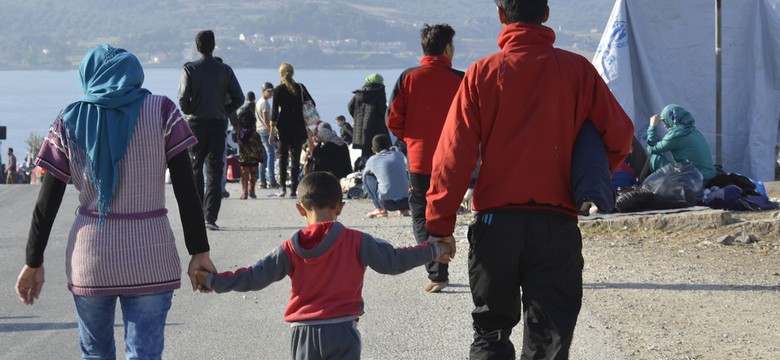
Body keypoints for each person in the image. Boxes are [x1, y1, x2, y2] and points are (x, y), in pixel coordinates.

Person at [424, 1, 634, 358]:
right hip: (557, 225)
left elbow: (452, 157)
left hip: (496, 224)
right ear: (546, 14)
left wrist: (439, 223)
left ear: (501, 15)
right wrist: (586, 173)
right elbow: (621, 136)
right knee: (548, 341)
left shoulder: (481, 73)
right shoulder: (578, 70)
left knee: (490, 333)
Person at [14, 44, 216, 359]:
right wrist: (199, 251)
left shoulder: (68, 119)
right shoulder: (162, 111)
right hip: (150, 255)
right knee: (145, 354)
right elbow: (186, 189)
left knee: (95, 354)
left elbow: (47, 202)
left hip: (90, 260)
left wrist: (33, 260)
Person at [194, 171, 452, 359]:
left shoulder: (290, 248)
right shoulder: (356, 241)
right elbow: (394, 261)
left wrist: (213, 280)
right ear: (339, 208)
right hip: (341, 331)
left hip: (302, 334)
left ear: (300, 209)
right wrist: (435, 249)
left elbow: (253, 276)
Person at [386, 23, 463, 293]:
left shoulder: (409, 77)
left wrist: (413, 137)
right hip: (453, 160)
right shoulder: (460, 79)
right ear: (448, 48)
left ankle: (437, 271)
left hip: (419, 161)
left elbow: (393, 120)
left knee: (421, 215)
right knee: (446, 211)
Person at [178, 30, 244, 230]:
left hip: (195, 125)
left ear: (197, 47)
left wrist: (191, 110)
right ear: (213, 46)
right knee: (215, 171)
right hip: (217, 125)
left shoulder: (190, 69)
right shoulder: (225, 70)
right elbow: (239, 98)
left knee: (196, 170)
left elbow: (182, 99)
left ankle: (197, 215)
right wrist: (224, 111)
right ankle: (210, 218)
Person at [271, 62, 314, 198]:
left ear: (281, 74)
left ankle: (283, 187)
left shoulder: (278, 90)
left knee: (283, 158)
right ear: (292, 72)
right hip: (298, 126)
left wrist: (272, 131)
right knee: (295, 159)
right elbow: (312, 103)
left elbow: (274, 113)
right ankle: (294, 189)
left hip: (283, 127)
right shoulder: (300, 88)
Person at [647, 104, 717, 186]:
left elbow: (651, 148)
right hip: (710, 177)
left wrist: (652, 126)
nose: (664, 125)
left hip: (697, 180)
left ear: (671, 120)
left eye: (665, 121)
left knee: (655, 159)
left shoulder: (677, 135)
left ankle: (652, 187)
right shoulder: (693, 131)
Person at [363, 134, 411, 218]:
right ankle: (404, 210)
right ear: (390, 146)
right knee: (403, 173)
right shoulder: (399, 155)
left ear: (373, 150)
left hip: (387, 203)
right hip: (406, 201)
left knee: (367, 176)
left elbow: (364, 176)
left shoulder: (372, 160)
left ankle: (380, 209)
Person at [348, 73, 389, 170]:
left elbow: (350, 106)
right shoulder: (379, 92)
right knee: (379, 151)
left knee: (365, 152)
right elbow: (382, 110)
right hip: (376, 128)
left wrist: (357, 117)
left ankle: (366, 172)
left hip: (361, 130)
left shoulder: (359, 94)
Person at [235, 91, 264, 199]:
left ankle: (244, 191)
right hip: (254, 158)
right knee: (253, 174)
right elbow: (258, 145)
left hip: (243, 158)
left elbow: (234, 139)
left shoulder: (239, 133)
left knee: (244, 174)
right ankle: (252, 190)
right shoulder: (255, 134)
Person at [256, 81, 279, 189]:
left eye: (272, 91)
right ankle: (272, 180)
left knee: (264, 157)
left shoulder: (259, 101)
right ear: (263, 91)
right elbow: (266, 120)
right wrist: (272, 132)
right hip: (265, 131)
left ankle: (262, 180)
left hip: (259, 130)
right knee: (271, 155)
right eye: (269, 91)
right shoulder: (264, 103)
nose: (271, 94)